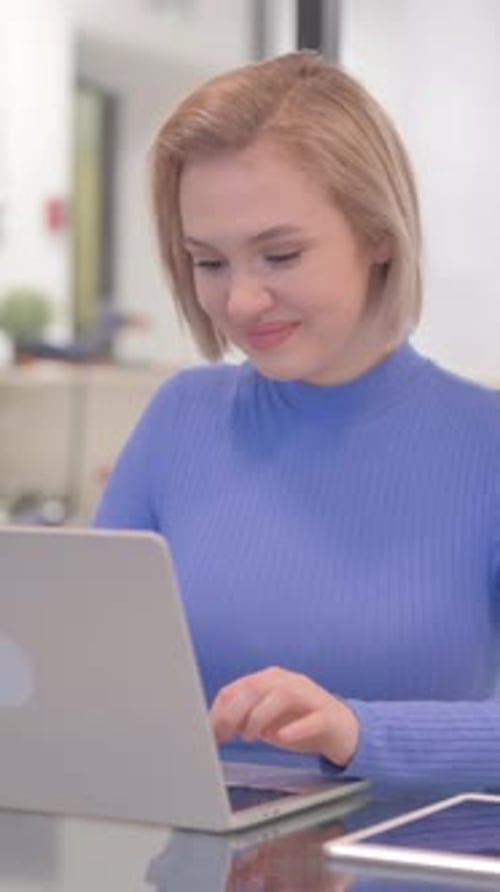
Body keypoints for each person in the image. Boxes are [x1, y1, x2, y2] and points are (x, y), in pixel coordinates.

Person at [94, 51, 500, 788]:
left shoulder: (485, 445)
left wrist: (358, 732)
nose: (241, 301)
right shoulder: (179, 419)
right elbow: (79, 672)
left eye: (279, 255)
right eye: (208, 262)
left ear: (378, 235)